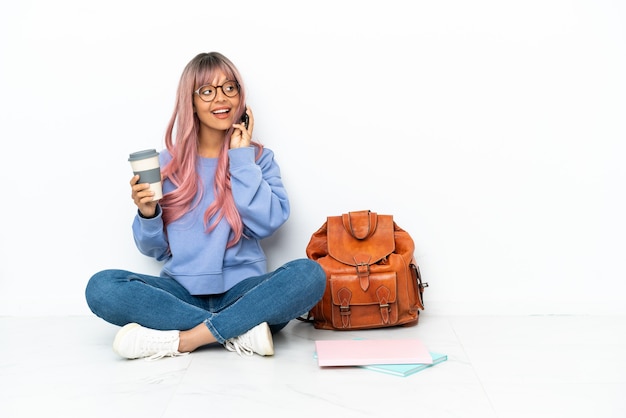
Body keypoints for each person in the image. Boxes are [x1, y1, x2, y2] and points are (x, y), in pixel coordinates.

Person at [85, 52, 326, 360]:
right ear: (191, 102)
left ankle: (186, 340)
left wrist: (241, 159)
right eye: (207, 91)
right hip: (181, 296)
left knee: (310, 275)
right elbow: (155, 251)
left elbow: (268, 222)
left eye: (230, 88)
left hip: (245, 294)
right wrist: (148, 214)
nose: (221, 99)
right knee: (102, 287)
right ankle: (238, 331)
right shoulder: (165, 165)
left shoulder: (257, 159)